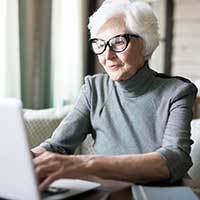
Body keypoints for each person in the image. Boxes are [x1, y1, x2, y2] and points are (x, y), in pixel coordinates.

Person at [32, 0, 197, 191]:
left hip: (162, 194)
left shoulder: (177, 92)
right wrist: (22, 159)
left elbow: (173, 159)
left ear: (145, 44)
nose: (107, 55)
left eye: (118, 42)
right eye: (100, 44)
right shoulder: (94, 89)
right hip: (111, 193)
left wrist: (82, 164)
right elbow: (57, 146)